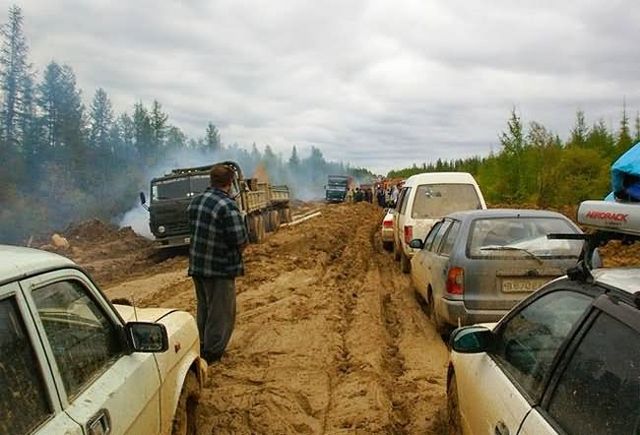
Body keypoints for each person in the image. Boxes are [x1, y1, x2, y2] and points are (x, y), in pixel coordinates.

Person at [187, 164, 248, 363]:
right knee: (221, 313)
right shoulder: (227, 205)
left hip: (198, 266)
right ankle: (212, 355)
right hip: (220, 268)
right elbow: (239, 239)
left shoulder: (196, 201)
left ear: (211, 180)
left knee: (204, 307)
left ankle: (201, 345)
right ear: (230, 183)